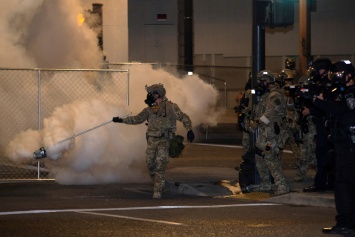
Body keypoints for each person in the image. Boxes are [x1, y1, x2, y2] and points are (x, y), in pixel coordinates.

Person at [112, 83, 195, 199]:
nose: (150, 96)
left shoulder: (171, 107)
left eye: (152, 94)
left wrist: (189, 129)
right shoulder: (149, 110)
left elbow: (184, 117)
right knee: (150, 164)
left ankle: (157, 190)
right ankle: (160, 182)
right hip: (151, 139)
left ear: (159, 94)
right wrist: (121, 120)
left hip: (165, 139)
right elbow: (137, 119)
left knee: (161, 163)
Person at [311, 60, 355, 234]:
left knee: (344, 185)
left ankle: (346, 224)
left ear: (349, 75)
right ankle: (346, 222)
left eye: (338, 75)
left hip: (350, 146)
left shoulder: (351, 93)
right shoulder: (343, 92)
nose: (336, 79)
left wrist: (317, 101)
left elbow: (343, 110)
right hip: (344, 145)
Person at [250, 70, 289, 196]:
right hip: (267, 131)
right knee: (259, 153)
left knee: (270, 156)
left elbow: (269, 115)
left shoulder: (274, 95)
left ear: (267, 82)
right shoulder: (268, 95)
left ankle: (282, 186)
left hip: (272, 131)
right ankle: (266, 183)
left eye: (261, 81)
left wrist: (257, 122)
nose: (259, 84)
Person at [302, 58, 335, 192]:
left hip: (326, 124)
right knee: (328, 154)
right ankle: (329, 182)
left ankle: (320, 183)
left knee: (322, 154)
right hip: (325, 123)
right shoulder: (323, 83)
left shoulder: (328, 85)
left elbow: (327, 105)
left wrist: (311, 110)